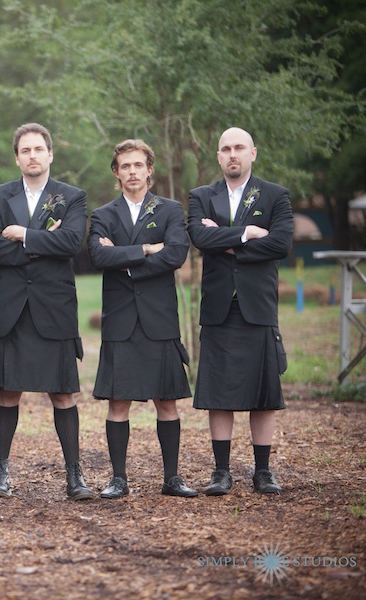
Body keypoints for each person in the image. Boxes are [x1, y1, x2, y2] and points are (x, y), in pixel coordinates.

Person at [0, 123, 93, 501]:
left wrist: (22, 234)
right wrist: (46, 240)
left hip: (53, 309)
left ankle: (74, 477)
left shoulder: (71, 197)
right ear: (17, 157)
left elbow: (73, 242)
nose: (32, 156)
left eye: (38, 149)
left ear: (50, 154)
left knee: (62, 394)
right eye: (25, 150)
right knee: (8, 392)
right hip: (10, 309)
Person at [87, 139, 197, 499]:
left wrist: (124, 261)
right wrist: (147, 249)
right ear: (116, 172)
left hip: (159, 319)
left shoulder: (169, 210)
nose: (132, 172)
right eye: (125, 166)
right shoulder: (103, 215)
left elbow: (176, 255)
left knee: (166, 401)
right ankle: (118, 479)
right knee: (118, 402)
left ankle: (172, 478)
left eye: (138, 165)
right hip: (120, 320)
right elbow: (98, 259)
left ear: (150, 170)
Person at [187, 127, 293, 495]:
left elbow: (280, 244)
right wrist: (249, 232)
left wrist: (227, 239)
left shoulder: (276, 195)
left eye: (239, 148)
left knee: (263, 391)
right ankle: (221, 471)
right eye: (226, 149)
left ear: (253, 153)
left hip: (257, 305)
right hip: (219, 306)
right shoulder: (201, 196)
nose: (233, 154)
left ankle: (263, 470)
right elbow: (201, 239)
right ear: (218, 156)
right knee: (219, 391)